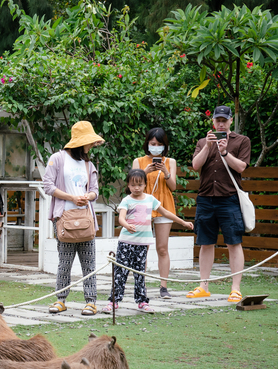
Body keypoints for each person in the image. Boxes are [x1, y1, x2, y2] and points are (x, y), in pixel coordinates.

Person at [103, 169, 194, 314]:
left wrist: (183, 222)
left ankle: (142, 301)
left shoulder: (150, 199)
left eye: (140, 184)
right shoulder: (126, 200)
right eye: (133, 185)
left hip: (142, 244)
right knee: (121, 273)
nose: (137, 188)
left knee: (140, 273)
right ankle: (113, 302)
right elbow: (121, 218)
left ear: (145, 184)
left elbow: (166, 212)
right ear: (128, 185)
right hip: (126, 242)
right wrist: (127, 225)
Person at [188, 105, 250, 303]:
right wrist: (208, 146)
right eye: (218, 120)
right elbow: (196, 165)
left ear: (231, 120)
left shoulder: (242, 141)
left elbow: (241, 167)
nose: (221, 123)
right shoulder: (203, 141)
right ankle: (203, 286)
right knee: (205, 242)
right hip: (206, 198)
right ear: (213, 121)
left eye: (224, 120)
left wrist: (224, 153)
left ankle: (235, 288)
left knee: (234, 242)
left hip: (229, 198)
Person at [42, 121, 103, 316]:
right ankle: (61, 300)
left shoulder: (88, 164)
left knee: (89, 262)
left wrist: (87, 197)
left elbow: (95, 190)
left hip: (85, 218)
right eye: (89, 142)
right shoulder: (57, 159)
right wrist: (72, 197)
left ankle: (91, 301)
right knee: (64, 263)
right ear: (79, 142)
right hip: (64, 218)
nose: (91, 146)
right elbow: (47, 186)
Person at [132, 128, 179, 299]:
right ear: (147, 144)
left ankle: (163, 286)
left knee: (162, 248)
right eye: (153, 144)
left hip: (164, 205)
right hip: (143, 205)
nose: (156, 147)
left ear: (164, 146)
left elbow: (173, 187)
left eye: (159, 144)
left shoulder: (170, 161)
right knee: (141, 247)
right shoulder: (138, 161)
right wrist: (145, 171)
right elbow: (133, 184)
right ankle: (140, 286)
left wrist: (166, 173)